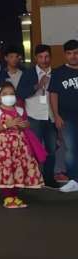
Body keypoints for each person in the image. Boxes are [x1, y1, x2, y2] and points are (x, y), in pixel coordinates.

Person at [0, 82, 44, 208]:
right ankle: (8, 197)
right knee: (6, 169)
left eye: (11, 94)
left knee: (18, 170)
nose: (9, 96)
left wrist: (25, 125)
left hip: (20, 146)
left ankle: (14, 196)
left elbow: (27, 124)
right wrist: (7, 124)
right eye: (5, 94)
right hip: (4, 147)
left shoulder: (20, 110)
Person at [24, 45, 58, 188]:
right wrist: (38, 85)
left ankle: (49, 179)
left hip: (50, 116)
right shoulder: (28, 73)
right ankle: (34, 179)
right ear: (35, 58)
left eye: (47, 57)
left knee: (51, 149)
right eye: (41, 57)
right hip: (34, 115)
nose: (44, 60)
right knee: (34, 149)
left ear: (50, 57)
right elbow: (20, 93)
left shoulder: (56, 73)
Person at [49, 39, 78, 193]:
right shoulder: (59, 72)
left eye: (76, 53)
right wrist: (57, 115)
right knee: (72, 149)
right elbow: (53, 94)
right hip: (67, 118)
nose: (73, 56)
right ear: (65, 55)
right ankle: (74, 180)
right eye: (70, 53)